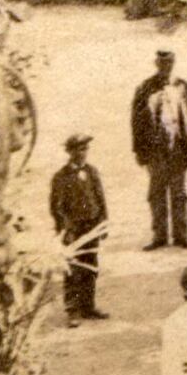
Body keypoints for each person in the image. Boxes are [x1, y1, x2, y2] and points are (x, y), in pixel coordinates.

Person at [131, 50, 187, 250]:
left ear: (173, 63)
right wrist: (140, 151)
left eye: (169, 63)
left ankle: (181, 236)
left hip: (177, 147)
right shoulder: (145, 88)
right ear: (156, 64)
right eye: (162, 63)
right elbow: (136, 122)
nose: (165, 66)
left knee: (179, 193)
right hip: (155, 150)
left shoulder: (182, 86)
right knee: (157, 193)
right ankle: (159, 236)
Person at [49, 133, 109, 326]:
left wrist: (103, 223)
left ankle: (88, 306)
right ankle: (73, 309)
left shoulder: (92, 172)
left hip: (92, 227)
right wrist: (66, 228)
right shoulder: (61, 177)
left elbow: (101, 199)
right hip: (74, 229)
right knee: (73, 269)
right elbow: (56, 207)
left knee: (91, 266)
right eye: (78, 150)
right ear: (69, 152)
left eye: (85, 149)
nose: (82, 153)